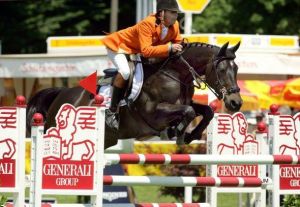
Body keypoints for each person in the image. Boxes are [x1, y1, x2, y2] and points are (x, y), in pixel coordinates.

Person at [102, 0, 183, 130]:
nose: (175, 16)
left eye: (176, 13)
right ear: (161, 13)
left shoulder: (175, 25)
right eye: (172, 13)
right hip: (119, 47)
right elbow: (146, 51)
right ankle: (112, 111)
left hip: (135, 50)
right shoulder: (147, 24)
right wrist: (169, 48)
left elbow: (178, 43)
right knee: (125, 72)